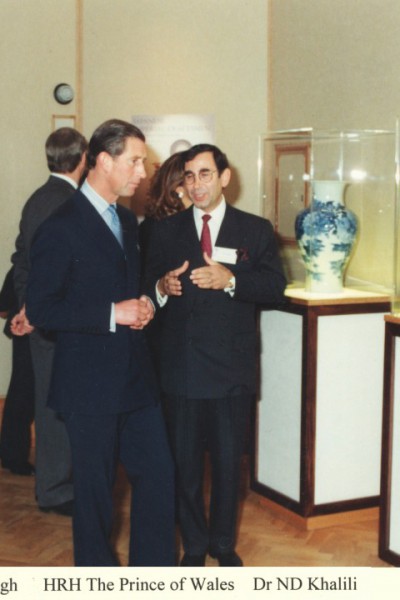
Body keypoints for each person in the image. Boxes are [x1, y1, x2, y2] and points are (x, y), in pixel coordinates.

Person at [25, 119, 175, 567]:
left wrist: (147, 302)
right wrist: (113, 314)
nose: (143, 173)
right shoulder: (60, 225)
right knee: (93, 501)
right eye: (135, 161)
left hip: (136, 381)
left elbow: (126, 287)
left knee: (159, 479)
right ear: (104, 161)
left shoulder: (128, 220)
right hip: (88, 388)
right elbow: (42, 310)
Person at [143, 143, 287, 567]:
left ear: (224, 178)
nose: (196, 184)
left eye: (205, 174)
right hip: (181, 369)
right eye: (189, 176)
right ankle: (193, 546)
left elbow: (274, 288)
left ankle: (223, 545)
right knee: (184, 467)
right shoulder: (164, 231)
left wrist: (231, 279)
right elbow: (146, 282)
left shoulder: (255, 230)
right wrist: (160, 289)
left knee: (227, 465)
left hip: (231, 370)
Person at [11, 127, 87, 516]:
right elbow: (39, 266)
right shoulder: (62, 202)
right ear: (82, 159)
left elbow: (22, 260)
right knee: (53, 408)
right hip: (54, 325)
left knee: (53, 404)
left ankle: (59, 484)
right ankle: (56, 490)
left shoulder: (42, 197)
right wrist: (34, 311)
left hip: (47, 320)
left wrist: (27, 307)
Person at [0, 267, 35, 475]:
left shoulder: (21, 265)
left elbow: (3, 307)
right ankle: (13, 456)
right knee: (23, 396)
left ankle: (11, 454)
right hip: (30, 333)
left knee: (19, 394)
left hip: (23, 333)